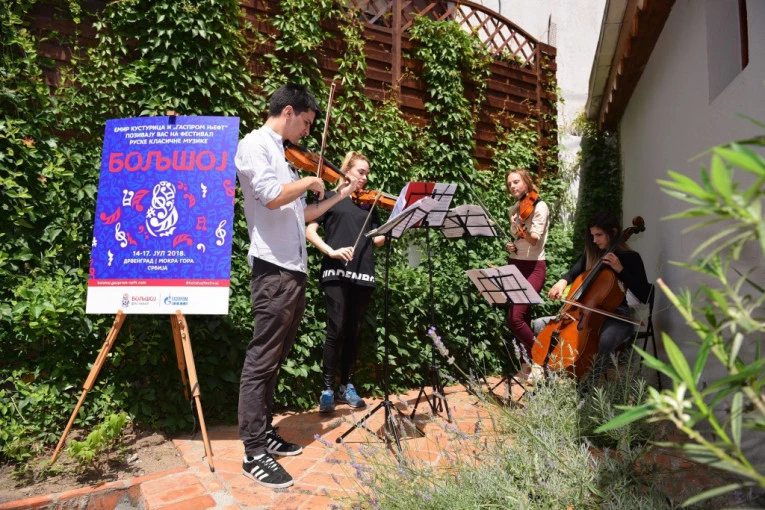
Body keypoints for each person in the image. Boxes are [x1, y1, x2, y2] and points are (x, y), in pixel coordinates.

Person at [235, 83, 358, 489]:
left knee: (274, 359)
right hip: (273, 271)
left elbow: (301, 215)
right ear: (288, 112)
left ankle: (264, 432)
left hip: (292, 270)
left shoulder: (284, 155)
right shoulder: (254, 145)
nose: (307, 132)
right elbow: (272, 198)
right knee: (261, 360)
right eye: (305, 122)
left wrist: (340, 194)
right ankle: (254, 452)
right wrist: (307, 181)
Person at [306, 151, 386, 413]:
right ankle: (327, 389)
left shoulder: (368, 204)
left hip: (363, 271)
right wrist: (330, 251)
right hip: (336, 270)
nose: (365, 177)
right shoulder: (331, 197)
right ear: (347, 170)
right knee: (336, 328)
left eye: (367, 173)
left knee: (354, 330)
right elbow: (309, 230)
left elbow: (377, 239)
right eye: (361, 171)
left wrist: (396, 225)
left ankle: (347, 386)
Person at [546, 210, 650, 380]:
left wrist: (620, 270)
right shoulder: (594, 254)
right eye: (593, 235)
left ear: (613, 232)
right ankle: (550, 376)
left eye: (599, 235)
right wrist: (562, 282)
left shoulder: (631, 258)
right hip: (587, 316)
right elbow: (573, 272)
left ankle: (591, 384)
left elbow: (644, 294)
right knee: (542, 325)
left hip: (619, 317)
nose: (595, 240)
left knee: (606, 339)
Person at [503, 168, 550, 381]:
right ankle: (527, 365)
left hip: (534, 267)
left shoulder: (540, 206)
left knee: (515, 318)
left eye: (516, 182)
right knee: (524, 317)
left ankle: (541, 357)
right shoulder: (515, 209)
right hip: (515, 263)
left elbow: (534, 239)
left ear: (526, 181)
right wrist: (511, 246)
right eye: (509, 184)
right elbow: (520, 241)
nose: (512, 186)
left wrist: (519, 227)